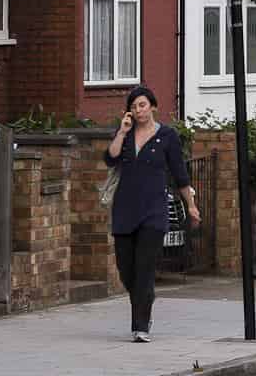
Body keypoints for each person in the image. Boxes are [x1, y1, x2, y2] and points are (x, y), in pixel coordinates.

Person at [106, 86, 199, 343]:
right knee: (126, 269)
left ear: (153, 107)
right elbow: (110, 158)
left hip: (153, 211)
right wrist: (122, 131)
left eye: (143, 105)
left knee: (145, 268)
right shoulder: (125, 134)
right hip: (125, 209)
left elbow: (180, 175)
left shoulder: (167, 136)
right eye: (134, 106)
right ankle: (145, 298)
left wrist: (190, 205)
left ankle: (140, 325)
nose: (139, 110)